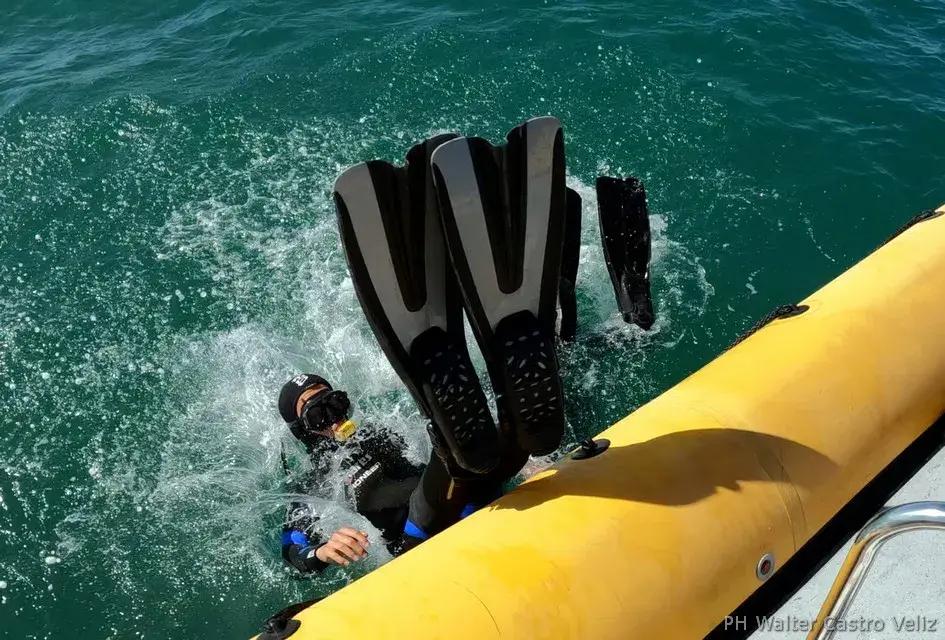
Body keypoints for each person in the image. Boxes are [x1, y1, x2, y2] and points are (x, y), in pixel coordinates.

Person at [278, 373, 527, 574]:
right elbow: (292, 551)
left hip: (462, 502)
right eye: (317, 415)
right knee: (452, 445)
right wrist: (322, 552)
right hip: (415, 543)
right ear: (304, 431)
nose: (334, 417)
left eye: (334, 403)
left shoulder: (378, 435)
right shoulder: (312, 486)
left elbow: (423, 469)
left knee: (494, 441)